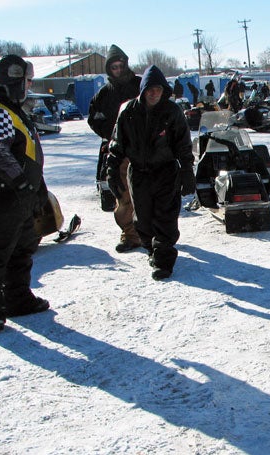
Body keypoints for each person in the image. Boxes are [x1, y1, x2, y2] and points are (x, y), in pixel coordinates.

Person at [0, 54, 50, 330]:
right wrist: (22, 183)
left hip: (18, 192)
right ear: (12, 80)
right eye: (26, 81)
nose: (28, 86)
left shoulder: (12, 107)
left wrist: (37, 188)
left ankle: (17, 299)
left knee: (22, 247)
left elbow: (26, 150)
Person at [106, 65, 194, 280]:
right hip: (139, 173)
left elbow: (183, 143)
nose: (154, 93)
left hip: (166, 172)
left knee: (165, 218)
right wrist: (111, 170)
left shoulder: (172, 112)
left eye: (158, 89)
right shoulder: (128, 112)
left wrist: (187, 171)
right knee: (143, 220)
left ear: (164, 90)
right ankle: (152, 248)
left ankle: (164, 260)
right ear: (143, 90)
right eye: (150, 89)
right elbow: (117, 144)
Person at [87, 44, 142, 253]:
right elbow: (94, 118)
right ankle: (129, 234)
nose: (118, 70)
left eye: (121, 66)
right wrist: (109, 134)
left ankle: (152, 233)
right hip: (119, 152)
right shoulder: (104, 94)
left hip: (143, 150)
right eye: (114, 67)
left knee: (148, 195)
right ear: (109, 70)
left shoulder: (140, 86)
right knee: (123, 196)